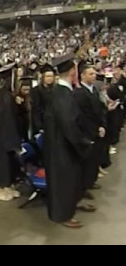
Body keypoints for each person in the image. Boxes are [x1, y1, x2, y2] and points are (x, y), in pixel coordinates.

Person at [44, 54, 94, 228]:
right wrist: (84, 142)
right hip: (62, 147)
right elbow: (69, 124)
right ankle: (63, 214)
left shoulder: (60, 91)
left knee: (73, 179)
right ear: (73, 71)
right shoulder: (62, 94)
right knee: (64, 181)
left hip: (62, 144)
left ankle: (74, 204)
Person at [0, 64, 22, 201]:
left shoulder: (5, 95)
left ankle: (8, 185)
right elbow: (8, 121)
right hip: (2, 136)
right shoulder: (4, 98)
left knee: (9, 163)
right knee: (2, 162)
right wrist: (13, 142)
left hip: (3, 134)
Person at [73, 64, 106, 196]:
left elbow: (100, 110)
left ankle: (90, 181)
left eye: (94, 74)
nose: (94, 76)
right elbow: (83, 116)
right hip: (87, 132)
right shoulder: (79, 93)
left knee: (93, 160)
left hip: (97, 130)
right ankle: (83, 187)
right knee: (86, 161)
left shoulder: (94, 90)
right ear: (83, 75)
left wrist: (102, 125)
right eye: (91, 74)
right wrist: (95, 128)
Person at [30, 64, 55, 136]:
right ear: (43, 77)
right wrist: (39, 127)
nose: (50, 78)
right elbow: (35, 110)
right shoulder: (36, 91)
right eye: (47, 76)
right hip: (42, 122)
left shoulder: (55, 90)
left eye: (51, 76)